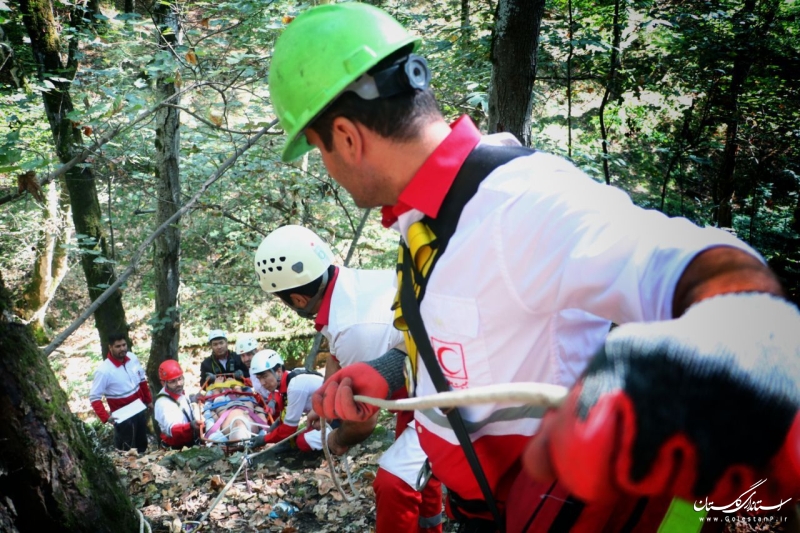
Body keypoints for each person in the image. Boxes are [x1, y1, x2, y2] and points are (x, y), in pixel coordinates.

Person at [267, 4, 800, 531]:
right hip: (488, 513)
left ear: (347, 137)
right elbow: (473, 347)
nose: (329, 169)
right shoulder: (423, 222)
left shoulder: (519, 204)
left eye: (319, 150)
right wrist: (388, 375)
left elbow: (704, 271)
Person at [254, 225, 444, 533]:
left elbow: (363, 421)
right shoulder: (345, 286)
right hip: (420, 372)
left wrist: (338, 439)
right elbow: (337, 357)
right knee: (418, 472)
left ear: (299, 300)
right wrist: (324, 403)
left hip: (442, 384)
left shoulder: (355, 327)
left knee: (394, 482)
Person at [248, 349, 326, 453]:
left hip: (336, 419)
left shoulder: (295, 386)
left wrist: (264, 439)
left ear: (279, 371)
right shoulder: (289, 378)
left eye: (265, 376)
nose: (262, 383)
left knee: (302, 441)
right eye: (259, 378)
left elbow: (289, 428)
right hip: (324, 416)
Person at [90, 333, 153, 453]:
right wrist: (106, 417)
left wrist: (148, 400)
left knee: (142, 444)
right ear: (110, 347)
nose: (122, 348)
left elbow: (141, 380)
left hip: (139, 409)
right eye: (118, 346)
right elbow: (94, 397)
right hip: (123, 416)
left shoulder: (132, 358)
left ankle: (145, 467)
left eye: (124, 345)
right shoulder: (104, 371)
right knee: (125, 449)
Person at [154, 360, 200, 449]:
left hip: (189, 442)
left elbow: (183, 406)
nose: (179, 384)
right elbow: (173, 430)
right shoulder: (163, 404)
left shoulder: (177, 391)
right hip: (175, 448)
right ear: (163, 383)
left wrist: (192, 400)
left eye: (180, 379)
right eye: (173, 381)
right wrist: (191, 426)